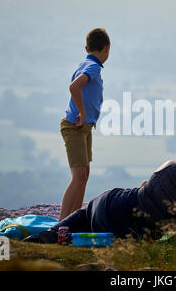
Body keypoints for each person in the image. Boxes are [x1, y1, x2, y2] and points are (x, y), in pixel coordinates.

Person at [25, 144, 176, 243]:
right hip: (125, 234)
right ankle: (66, 239)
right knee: (94, 232)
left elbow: (145, 184)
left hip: (110, 204)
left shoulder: (170, 166)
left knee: (85, 214)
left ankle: (48, 235)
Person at [59, 28, 110, 221]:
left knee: (84, 175)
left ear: (86, 48)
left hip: (84, 128)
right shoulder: (94, 67)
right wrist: (82, 110)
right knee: (78, 177)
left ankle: (74, 218)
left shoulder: (86, 63)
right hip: (75, 127)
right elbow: (74, 87)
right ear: (107, 48)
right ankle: (60, 226)